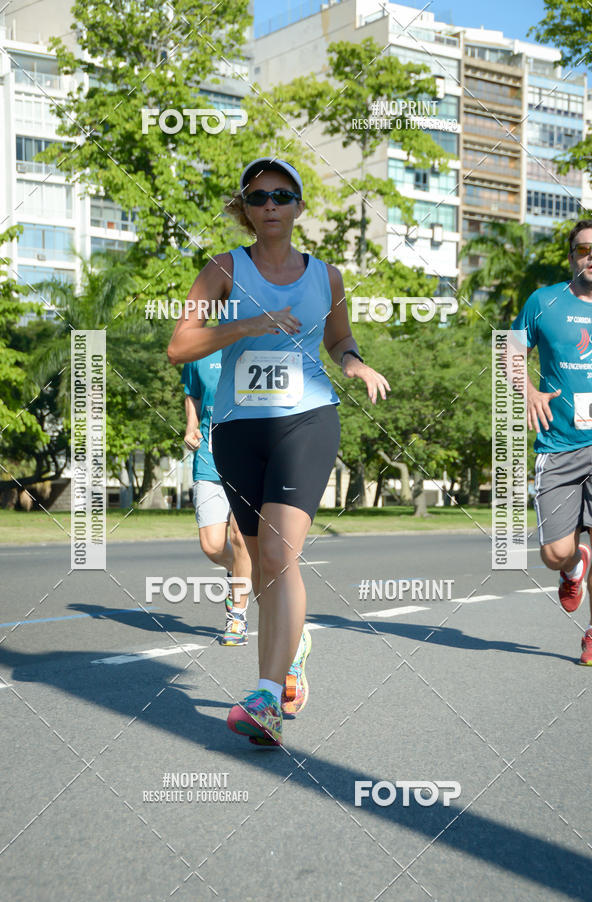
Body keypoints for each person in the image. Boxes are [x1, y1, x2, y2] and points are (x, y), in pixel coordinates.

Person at [168, 157, 389, 744]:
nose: (270, 205)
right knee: (263, 560)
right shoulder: (222, 267)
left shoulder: (328, 276)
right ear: (245, 208)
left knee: (277, 559)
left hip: (307, 420)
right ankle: (292, 649)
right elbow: (180, 345)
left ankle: (264, 699)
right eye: (259, 196)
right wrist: (245, 325)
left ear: (298, 207)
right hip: (239, 429)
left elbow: (339, 336)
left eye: (281, 195)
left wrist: (355, 362)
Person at [512, 219, 592, 666]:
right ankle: (571, 566)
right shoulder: (543, 301)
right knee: (553, 552)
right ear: (571, 256)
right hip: (558, 442)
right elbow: (509, 350)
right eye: (583, 248)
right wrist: (527, 390)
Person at [181, 353, 252, 645]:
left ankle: (237, 616)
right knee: (211, 546)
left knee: (239, 537)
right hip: (208, 461)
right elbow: (192, 394)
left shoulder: (257, 345)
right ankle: (240, 571)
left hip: (249, 461)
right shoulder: (198, 352)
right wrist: (190, 425)